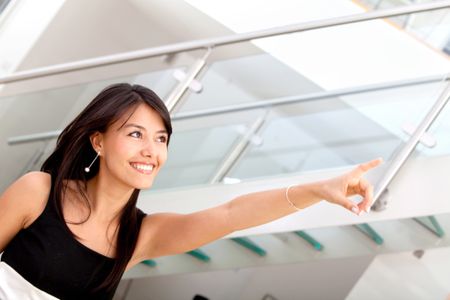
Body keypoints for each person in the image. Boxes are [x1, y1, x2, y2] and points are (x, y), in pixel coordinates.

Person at [0, 83, 382, 299]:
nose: (152, 151)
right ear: (98, 141)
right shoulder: (39, 191)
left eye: (161, 138)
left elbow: (231, 215)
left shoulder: (140, 237)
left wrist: (317, 189)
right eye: (135, 135)